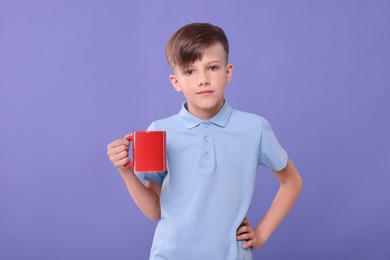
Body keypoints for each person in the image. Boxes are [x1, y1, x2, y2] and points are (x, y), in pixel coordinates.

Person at [107, 22, 302, 260]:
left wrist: (261, 234)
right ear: (176, 81)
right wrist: (125, 172)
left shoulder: (254, 128)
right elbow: (155, 210)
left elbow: (292, 181)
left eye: (212, 68)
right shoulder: (159, 131)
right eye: (190, 71)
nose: (203, 80)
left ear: (228, 72)